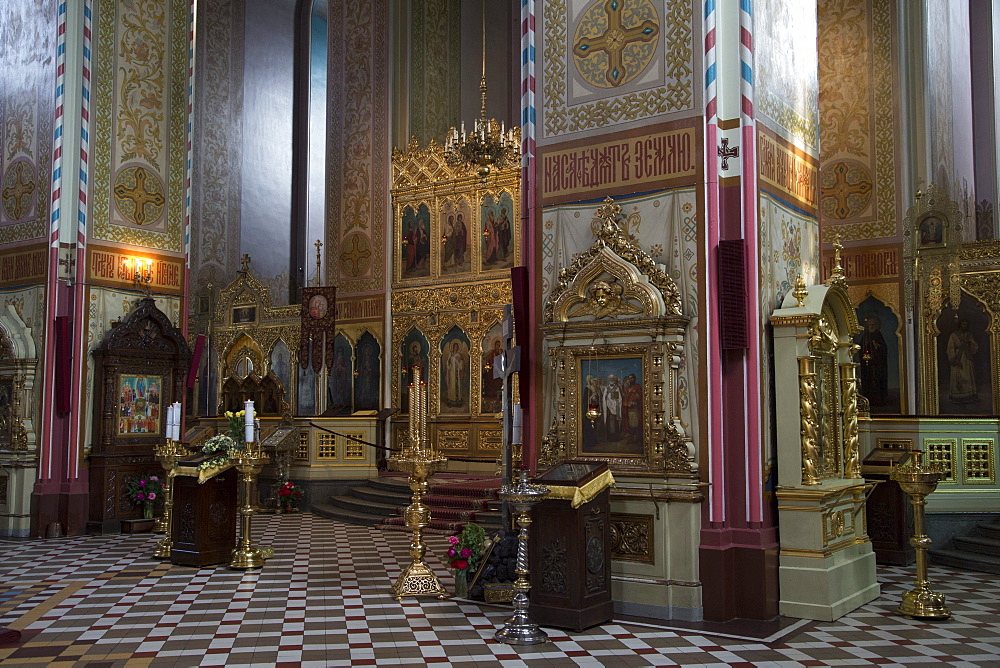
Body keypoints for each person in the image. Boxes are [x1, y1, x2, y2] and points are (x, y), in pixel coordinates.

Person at [856, 316, 888, 406]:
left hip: (878, 363)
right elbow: (862, 348)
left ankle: (879, 399)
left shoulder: (878, 334)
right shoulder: (865, 335)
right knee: (868, 380)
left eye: (873, 324)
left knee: (877, 380)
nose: (872, 326)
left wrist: (877, 346)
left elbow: (884, 348)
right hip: (867, 364)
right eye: (870, 325)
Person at [947, 320, 979, 404]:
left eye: (966, 324)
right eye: (963, 324)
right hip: (958, 357)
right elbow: (950, 348)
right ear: (960, 325)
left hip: (967, 358)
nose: (964, 326)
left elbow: (974, 346)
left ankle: (970, 395)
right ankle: (957, 396)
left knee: (968, 375)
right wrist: (954, 359)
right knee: (958, 375)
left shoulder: (969, 335)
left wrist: (971, 345)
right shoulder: (953, 335)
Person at [602, 373, 624, 442]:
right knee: (609, 422)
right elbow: (604, 398)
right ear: (609, 379)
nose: (611, 379)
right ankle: (609, 438)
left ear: (614, 379)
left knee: (615, 423)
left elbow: (618, 398)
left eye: (612, 378)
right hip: (608, 407)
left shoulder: (616, 388)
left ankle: (615, 438)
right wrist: (607, 400)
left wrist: (614, 402)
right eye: (610, 378)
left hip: (615, 407)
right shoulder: (606, 388)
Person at [444, 341, 466, 408]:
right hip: (452, 373)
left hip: (457, 373)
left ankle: (458, 400)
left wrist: (459, 362)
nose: (455, 348)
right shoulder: (450, 354)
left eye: (457, 347)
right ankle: (451, 400)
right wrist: (449, 361)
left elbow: (461, 364)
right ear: (453, 347)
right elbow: (448, 364)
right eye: (454, 346)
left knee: (457, 386)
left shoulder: (459, 355)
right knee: (452, 386)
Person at [623, 373, 643, 446]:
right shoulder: (627, 388)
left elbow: (639, 397)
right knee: (630, 423)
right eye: (629, 378)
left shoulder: (637, 387)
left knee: (636, 423)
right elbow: (625, 397)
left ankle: (637, 438)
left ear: (634, 379)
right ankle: (631, 438)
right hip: (629, 408)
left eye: (632, 378)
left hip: (635, 408)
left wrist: (634, 392)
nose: (630, 379)